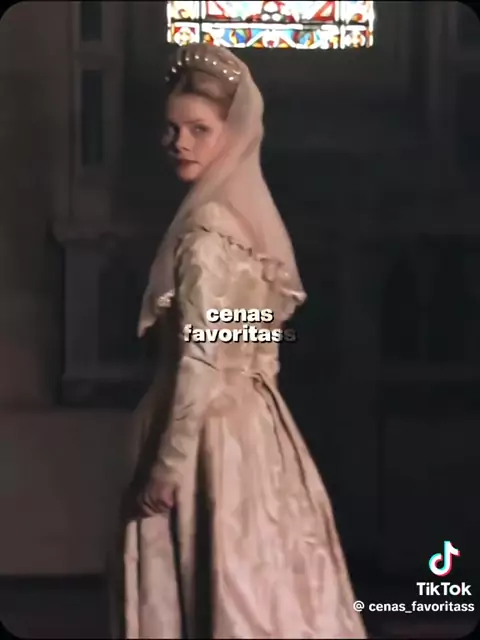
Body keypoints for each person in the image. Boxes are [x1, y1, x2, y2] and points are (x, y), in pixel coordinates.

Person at [110, 42, 367, 639]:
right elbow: (255, 345)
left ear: (234, 133)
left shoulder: (207, 236)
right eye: (172, 128)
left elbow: (200, 360)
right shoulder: (249, 227)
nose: (180, 142)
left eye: (199, 129)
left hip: (203, 438)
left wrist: (167, 467)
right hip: (257, 431)